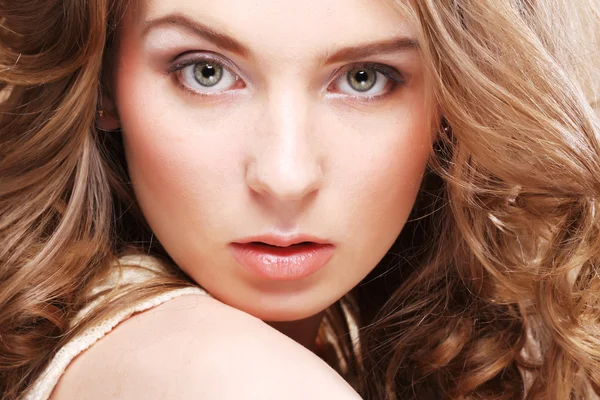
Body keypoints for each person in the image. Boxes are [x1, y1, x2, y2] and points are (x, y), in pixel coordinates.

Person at [0, 0, 598, 399]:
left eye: (364, 77)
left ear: (451, 101)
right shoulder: (238, 380)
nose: (285, 176)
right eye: (205, 72)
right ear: (104, 82)